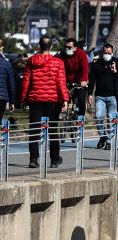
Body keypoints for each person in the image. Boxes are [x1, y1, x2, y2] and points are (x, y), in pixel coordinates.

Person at [19, 36, 70, 169]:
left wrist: (23, 99)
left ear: (39, 46)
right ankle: (54, 159)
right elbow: (60, 82)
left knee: (34, 130)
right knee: (53, 130)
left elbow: (26, 82)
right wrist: (65, 99)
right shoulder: (58, 62)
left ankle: (34, 159)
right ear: (51, 47)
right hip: (53, 101)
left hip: (35, 99)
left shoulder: (31, 61)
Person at [87, 44, 118, 149]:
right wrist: (90, 94)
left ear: (112, 53)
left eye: (109, 53)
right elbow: (92, 80)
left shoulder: (116, 63)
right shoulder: (96, 64)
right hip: (100, 96)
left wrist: (115, 71)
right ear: (102, 52)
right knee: (99, 116)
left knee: (111, 119)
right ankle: (103, 136)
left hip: (113, 96)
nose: (107, 55)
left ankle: (108, 141)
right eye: (105, 53)